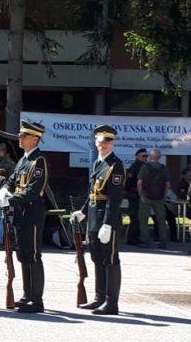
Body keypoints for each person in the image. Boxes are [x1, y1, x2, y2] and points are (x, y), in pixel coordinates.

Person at [70, 125, 125, 315]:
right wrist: (83, 211)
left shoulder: (115, 166)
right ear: (96, 143)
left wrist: (108, 224)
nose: (104, 145)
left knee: (110, 260)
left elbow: (114, 199)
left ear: (113, 144)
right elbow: (93, 192)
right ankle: (99, 298)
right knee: (97, 259)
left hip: (107, 220)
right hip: (94, 218)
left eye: (108, 142)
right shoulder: (97, 163)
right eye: (101, 142)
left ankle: (111, 303)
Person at [0, 119, 49, 313]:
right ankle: (27, 295)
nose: (19, 138)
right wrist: (4, 189)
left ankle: (36, 300)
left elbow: (34, 190)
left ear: (35, 139)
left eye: (24, 135)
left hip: (32, 213)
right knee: (23, 255)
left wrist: (11, 200)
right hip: (20, 214)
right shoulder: (23, 160)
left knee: (33, 255)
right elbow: (12, 180)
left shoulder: (39, 161)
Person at [137, 148, 170, 248]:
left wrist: (141, 195)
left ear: (150, 157)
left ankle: (145, 241)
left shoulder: (145, 167)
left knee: (143, 220)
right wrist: (164, 196)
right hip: (160, 197)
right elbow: (168, 184)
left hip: (146, 197)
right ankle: (163, 242)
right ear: (159, 157)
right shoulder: (164, 168)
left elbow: (139, 182)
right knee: (161, 220)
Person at [124, 148, 147, 245]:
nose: (145, 157)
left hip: (137, 195)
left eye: (146, 156)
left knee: (138, 217)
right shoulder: (135, 167)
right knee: (135, 217)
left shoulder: (142, 166)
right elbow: (129, 183)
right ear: (138, 156)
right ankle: (132, 238)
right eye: (144, 156)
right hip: (134, 195)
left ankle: (134, 237)